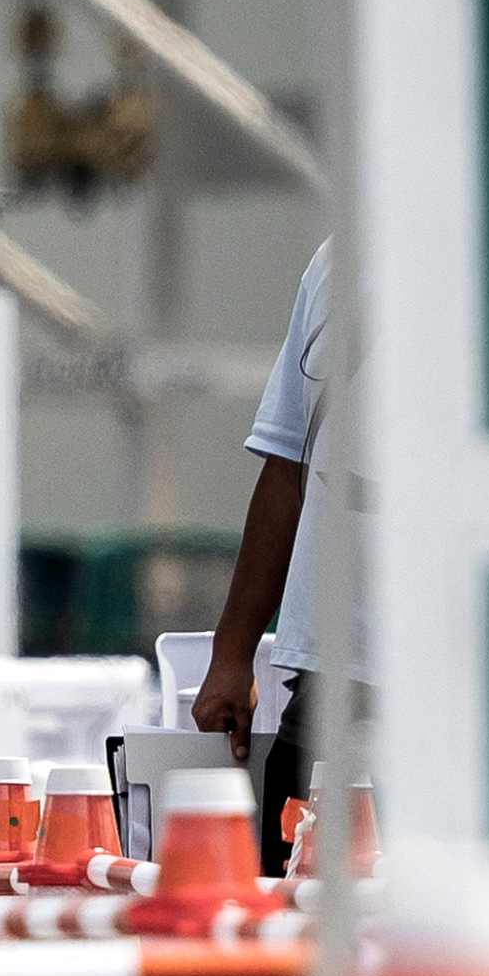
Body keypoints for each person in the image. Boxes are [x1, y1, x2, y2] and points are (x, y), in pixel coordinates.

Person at [188, 238, 347, 833]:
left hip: (456, 675)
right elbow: (284, 467)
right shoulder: (335, 261)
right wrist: (231, 654)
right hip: (330, 678)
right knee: (294, 903)